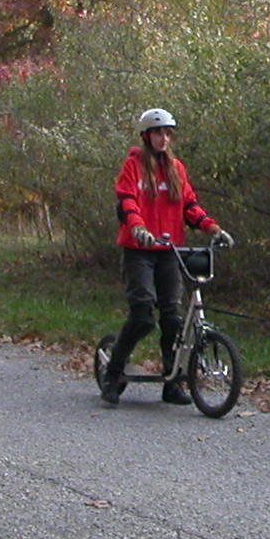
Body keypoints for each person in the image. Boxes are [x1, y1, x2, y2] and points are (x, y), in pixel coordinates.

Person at [100, 108, 234, 406]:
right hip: (139, 251)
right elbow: (127, 203)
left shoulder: (176, 169)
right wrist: (138, 229)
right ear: (146, 136)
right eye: (158, 133)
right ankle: (113, 374)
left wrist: (213, 228)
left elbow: (189, 206)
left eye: (167, 133)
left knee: (173, 317)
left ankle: (172, 382)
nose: (164, 138)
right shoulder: (133, 166)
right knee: (142, 315)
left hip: (169, 251)